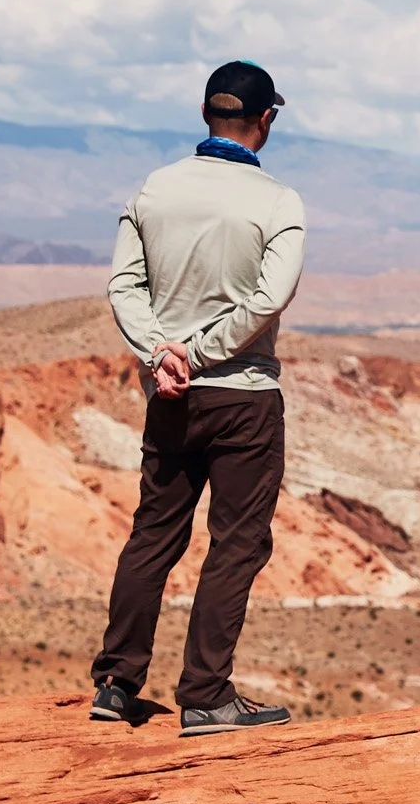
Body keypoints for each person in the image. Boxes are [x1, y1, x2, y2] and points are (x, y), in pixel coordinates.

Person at [89, 61, 307, 736]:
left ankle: (117, 683)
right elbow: (269, 297)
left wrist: (165, 352)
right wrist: (208, 351)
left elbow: (123, 285)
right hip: (242, 395)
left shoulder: (154, 190)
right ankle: (207, 694)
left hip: (171, 393)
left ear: (205, 114)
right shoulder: (278, 202)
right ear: (266, 119)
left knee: (154, 533)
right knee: (237, 542)